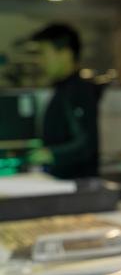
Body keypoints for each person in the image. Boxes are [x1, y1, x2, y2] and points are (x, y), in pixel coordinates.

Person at [28, 23, 100, 179]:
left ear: (65, 54)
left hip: (77, 189)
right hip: (63, 184)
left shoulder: (78, 90)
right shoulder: (62, 90)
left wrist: (49, 154)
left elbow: (86, 144)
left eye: (43, 54)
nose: (40, 61)